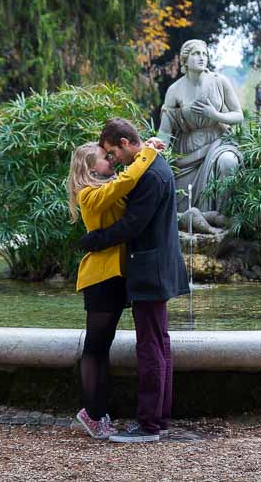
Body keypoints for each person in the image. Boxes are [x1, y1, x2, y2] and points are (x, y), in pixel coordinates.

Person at [79, 118, 190, 443]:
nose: (114, 159)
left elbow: (132, 225)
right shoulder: (151, 168)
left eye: (113, 152)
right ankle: (160, 419)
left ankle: (149, 425)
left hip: (150, 269)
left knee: (151, 347)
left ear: (126, 143)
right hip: (154, 267)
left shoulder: (150, 173)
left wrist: (94, 240)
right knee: (159, 344)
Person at [66, 138, 159, 440]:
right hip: (100, 277)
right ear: (89, 166)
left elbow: (127, 184)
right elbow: (126, 181)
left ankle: (97, 411)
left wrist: (141, 152)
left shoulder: (104, 188)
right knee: (95, 347)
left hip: (115, 275)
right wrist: (148, 153)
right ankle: (91, 414)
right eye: (105, 157)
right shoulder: (89, 194)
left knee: (102, 347)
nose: (111, 160)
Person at [159, 39, 244, 213]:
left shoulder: (219, 81)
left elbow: (238, 115)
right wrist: (159, 155)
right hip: (187, 150)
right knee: (182, 205)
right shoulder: (175, 90)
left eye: (204, 54)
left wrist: (216, 115)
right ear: (185, 59)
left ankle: (223, 217)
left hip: (218, 142)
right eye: (196, 54)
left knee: (228, 163)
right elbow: (165, 131)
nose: (202, 57)